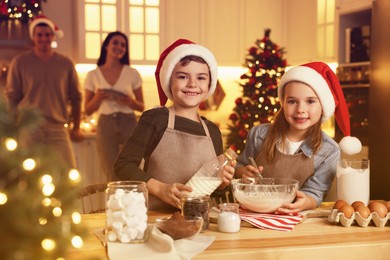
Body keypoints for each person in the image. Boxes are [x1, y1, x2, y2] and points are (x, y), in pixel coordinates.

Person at [114, 39, 236, 210]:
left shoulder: (213, 132)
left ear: (209, 85)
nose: (192, 83)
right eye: (183, 76)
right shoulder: (156, 119)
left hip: (199, 222)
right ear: (169, 81)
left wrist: (223, 182)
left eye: (201, 77)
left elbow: (215, 193)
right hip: (154, 219)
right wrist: (160, 189)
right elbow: (123, 166)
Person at [235, 61, 362, 214]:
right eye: (292, 101)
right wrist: (243, 173)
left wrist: (305, 202)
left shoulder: (329, 151)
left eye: (310, 101)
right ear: (283, 103)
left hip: (292, 217)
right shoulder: (259, 135)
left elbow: (315, 192)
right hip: (253, 213)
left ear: (323, 106)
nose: (300, 109)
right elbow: (239, 167)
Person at [5, 15, 83, 169]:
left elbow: (76, 98)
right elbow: (12, 98)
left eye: (47, 34)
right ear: (33, 37)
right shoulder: (20, 62)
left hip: (58, 129)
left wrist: (76, 126)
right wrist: (13, 127)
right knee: (28, 178)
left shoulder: (65, 63)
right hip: (29, 129)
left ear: (53, 36)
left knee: (69, 174)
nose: (43, 38)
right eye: (39, 34)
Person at [84, 31, 144, 182]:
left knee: (130, 170)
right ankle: (114, 205)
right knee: (110, 173)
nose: (119, 47)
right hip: (105, 124)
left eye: (123, 45)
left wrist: (130, 102)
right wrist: (98, 98)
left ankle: (133, 205)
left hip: (129, 124)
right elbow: (88, 109)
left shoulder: (132, 73)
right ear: (106, 46)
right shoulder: (93, 75)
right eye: (115, 43)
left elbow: (141, 106)